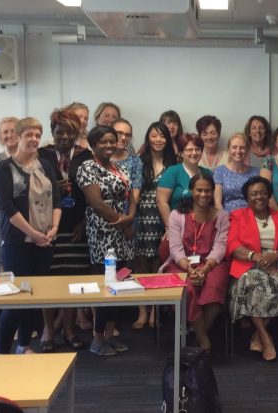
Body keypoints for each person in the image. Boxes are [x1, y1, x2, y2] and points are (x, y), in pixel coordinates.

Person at [0, 117, 61, 354]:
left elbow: (57, 201)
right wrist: (33, 233)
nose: (34, 139)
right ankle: (2, 353)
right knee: (16, 301)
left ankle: (24, 345)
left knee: (35, 297)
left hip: (44, 242)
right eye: (29, 135)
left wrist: (53, 228)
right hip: (17, 243)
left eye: (37, 135)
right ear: (17, 137)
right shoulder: (3, 168)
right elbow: (7, 207)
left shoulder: (45, 165)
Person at [77, 125, 136, 356]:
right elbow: (96, 203)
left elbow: (131, 193)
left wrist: (130, 218)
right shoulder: (87, 167)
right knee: (106, 285)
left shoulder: (116, 167)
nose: (110, 145)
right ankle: (97, 338)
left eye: (112, 141)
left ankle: (110, 335)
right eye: (104, 142)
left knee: (119, 284)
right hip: (102, 232)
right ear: (93, 145)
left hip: (122, 231)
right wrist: (123, 222)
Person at [226, 176, 278, 362]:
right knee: (254, 281)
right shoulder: (238, 215)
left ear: (269, 195)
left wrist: (277, 256)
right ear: (248, 198)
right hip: (248, 262)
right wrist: (257, 258)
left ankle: (258, 334)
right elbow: (233, 245)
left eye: (263, 193)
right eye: (254, 194)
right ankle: (266, 337)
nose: (259, 197)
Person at [37, 108, 92, 351]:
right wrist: (53, 188)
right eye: (60, 132)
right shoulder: (41, 156)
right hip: (47, 228)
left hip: (76, 228)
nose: (65, 138)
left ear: (77, 133)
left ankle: (69, 330)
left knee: (72, 281)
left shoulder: (85, 156)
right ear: (52, 132)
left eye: (70, 133)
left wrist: (85, 222)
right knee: (47, 281)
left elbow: (92, 194)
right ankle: (49, 330)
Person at [159, 173, 230, 352]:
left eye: (207, 190)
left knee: (215, 287)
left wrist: (206, 269)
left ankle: (195, 334)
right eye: (199, 190)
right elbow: (175, 248)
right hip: (181, 263)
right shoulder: (177, 215)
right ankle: (204, 340)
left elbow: (220, 247)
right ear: (191, 191)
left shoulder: (221, 216)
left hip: (211, 264)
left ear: (213, 191)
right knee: (187, 289)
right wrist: (190, 270)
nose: (203, 194)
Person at [133, 122, 178, 329]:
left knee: (159, 264)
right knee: (141, 265)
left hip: (164, 217)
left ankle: (156, 312)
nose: (158, 140)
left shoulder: (174, 163)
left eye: (162, 136)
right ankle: (143, 311)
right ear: (148, 138)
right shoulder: (138, 161)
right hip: (142, 217)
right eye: (154, 135)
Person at [157, 134, 211, 228]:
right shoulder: (172, 172)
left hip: (204, 226)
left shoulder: (208, 174)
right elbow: (161, 202)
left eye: (197, 149)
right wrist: (171, 228)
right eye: (189, 150)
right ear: (181, 153)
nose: (194, 153)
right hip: (177, 226)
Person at [0, 117, 18, 273]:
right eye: (5, 132)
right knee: (2, 271)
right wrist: (15, 215)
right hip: (2, 220)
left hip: (27, 221)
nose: (9, 135)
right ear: (0, 136)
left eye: (13, 130)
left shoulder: (33, 158)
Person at [213, 133, 259, 212]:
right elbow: (217, 203)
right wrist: (225, 221)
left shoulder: (256, 172)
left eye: (242, 148)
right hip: (227, 217)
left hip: (251, 217)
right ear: (229, 149)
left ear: (247, 150)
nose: (238, 151)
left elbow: (259, 201)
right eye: (234, 147)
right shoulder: (219, 171)